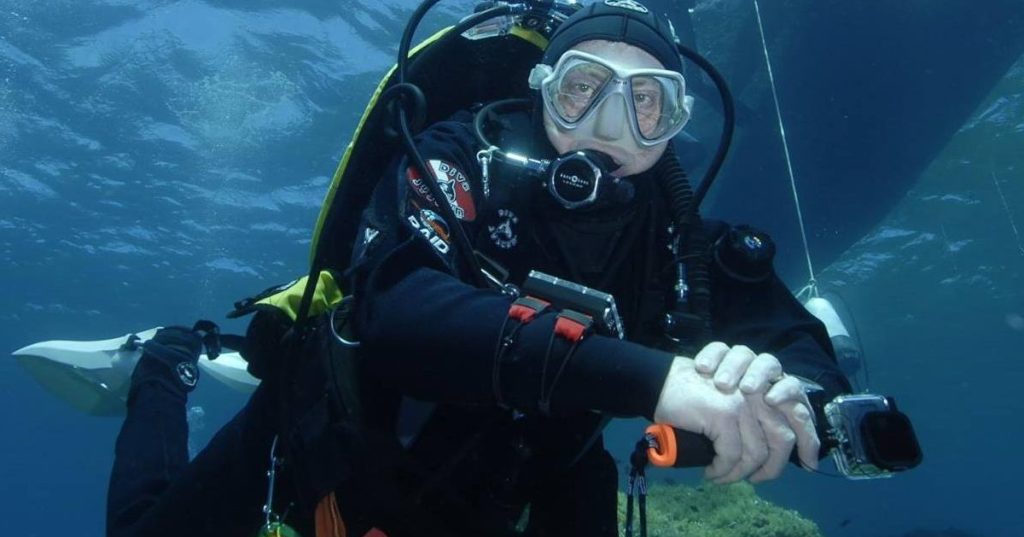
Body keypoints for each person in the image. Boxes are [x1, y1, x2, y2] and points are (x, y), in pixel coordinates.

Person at [107, 2, 852, 537]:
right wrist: (661, 380)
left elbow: (798, 343)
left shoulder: (677, 242)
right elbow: (396, 308)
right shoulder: (457, 160)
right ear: (542, 89)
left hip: (531, 478)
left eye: (647, 103)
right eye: (583, 89)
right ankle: (165, 365)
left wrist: (785, 393)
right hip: (334, 438)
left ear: (676, 126)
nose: (607, 125)